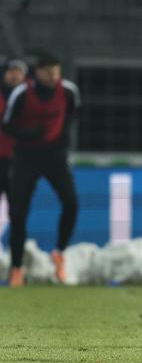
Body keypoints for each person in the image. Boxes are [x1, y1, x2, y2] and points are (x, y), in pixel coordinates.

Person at [2, 51, 80, 286]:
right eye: (48, 72)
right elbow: (7, 125)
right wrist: (28, 135)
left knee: (71, 203)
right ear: (37, 73)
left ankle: (60, 253)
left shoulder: (68, 91)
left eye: (56, 72)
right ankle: (17, 269)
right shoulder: (23, 94)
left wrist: (62, 137)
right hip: (26, 158)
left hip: (55, 158)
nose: (53, 76)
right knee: (18, 213)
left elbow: (72, 114)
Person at [1, 58, 27, 217]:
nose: (14, 76)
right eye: (11, 72)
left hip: (19, 159)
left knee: (18, 207)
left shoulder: (30, 98)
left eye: (18, 72)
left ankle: (16, 241)